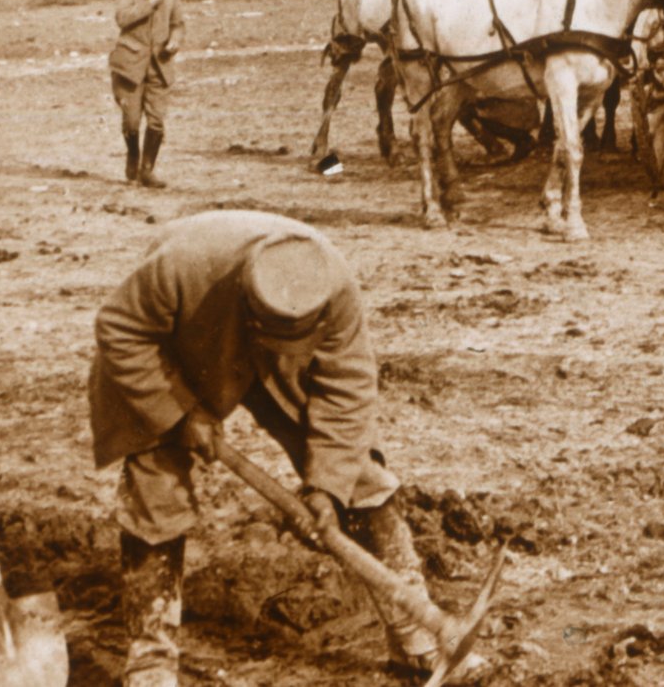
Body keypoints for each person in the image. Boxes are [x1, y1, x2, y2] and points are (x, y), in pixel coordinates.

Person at [91, 211, 472, 687]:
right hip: (178, 346)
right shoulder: (182, 267)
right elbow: (119, 329)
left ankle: (420, 635)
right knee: (156, 489)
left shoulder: (330, 285)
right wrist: (182, 413)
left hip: (281, 362)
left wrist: (326, 491)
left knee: (359, 477)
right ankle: (150, 660)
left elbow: (348, 388)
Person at [109, 0, 184, 188]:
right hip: (130, 65)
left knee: (156, 121)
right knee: (131, 122)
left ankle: (147, 170)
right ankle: (133, 154)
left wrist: (175, 41)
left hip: (159, 67)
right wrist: (150, 4)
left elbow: (178, 24)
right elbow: (122, 18)